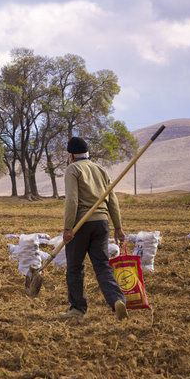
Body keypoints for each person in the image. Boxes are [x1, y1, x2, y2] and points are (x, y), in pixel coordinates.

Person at [60, 137, 128, 320]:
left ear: (71, 156)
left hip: (81, 225)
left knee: (74, 267)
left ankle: (77, 309)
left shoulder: (72, 169)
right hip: (102, 224)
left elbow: (72, 201)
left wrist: (68, 228)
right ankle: (117, 301)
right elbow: (112, 200)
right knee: (102, 266)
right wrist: (118, 227)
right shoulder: (100, 169)